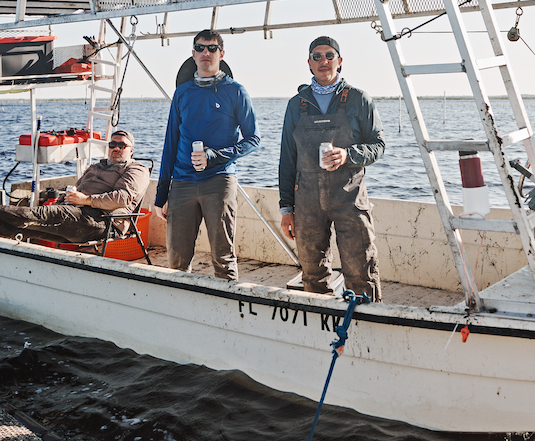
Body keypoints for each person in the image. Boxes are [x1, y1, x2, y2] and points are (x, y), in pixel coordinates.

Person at [278, 36, 386, 301]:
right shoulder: (296, 104)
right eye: (317, 57)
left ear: (339, 61)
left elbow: (378, 145)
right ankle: (321, 329)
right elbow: (287, 159)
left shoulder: (359, 99)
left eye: (329, 56)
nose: (323, 61)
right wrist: (286, 208)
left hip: (349, 200)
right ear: (309, 63)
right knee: (312, 274)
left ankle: (367, 325)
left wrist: (348, 154)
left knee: (360, 271)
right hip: (307, 204)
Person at [154, 30, 260, 279]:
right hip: (182, 183)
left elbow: (253, 139)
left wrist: (215, 156)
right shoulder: (182, 93)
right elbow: (170, 144)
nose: (206, 53)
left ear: (221, 54)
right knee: (177, 260)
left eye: (212, 49)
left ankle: (228, 312)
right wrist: (161, 195)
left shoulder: (235, 91)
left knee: (223, 258)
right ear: (193, 54)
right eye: (200, 48)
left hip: (219, 181)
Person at [0, 129, 148, 244]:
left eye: (122, 146)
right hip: (76, 213)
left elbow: (122, 198)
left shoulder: (136, 169)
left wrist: (87, 200)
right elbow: (76, 189)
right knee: (32, 226)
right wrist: (66, 197)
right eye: (113, 144)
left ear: (131, 150)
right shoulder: (95, 166)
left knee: (44, 215)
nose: (116, 148)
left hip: (104, 222)